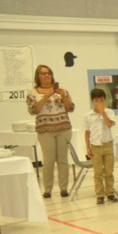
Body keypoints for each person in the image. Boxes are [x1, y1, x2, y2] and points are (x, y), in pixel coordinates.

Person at [26, 64, 74, 198]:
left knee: (63, 160)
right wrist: (45, 97)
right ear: (38, 76)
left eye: (48, 73)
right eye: (43, 73)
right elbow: (33, 110)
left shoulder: (62, 90)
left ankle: (64, 188)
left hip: (63, 128)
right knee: (48, 160)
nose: (46, 76)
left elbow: (70, 108)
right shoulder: (32, 92)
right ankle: (48, 189)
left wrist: (63, 96)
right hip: (45, 130)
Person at [84, 88, 117, 205]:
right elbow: (87, 132)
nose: (99, 102)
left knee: (109, 171)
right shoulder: (88, 115)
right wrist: (88, 147)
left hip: (108, 145)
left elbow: (109, 124)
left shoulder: (110, 112)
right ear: (92, 101)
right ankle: (100, 195)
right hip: (95, 146)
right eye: (97, 100)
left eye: (102, 100)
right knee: (97, 173)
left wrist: (103, 112)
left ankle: (110, 193)